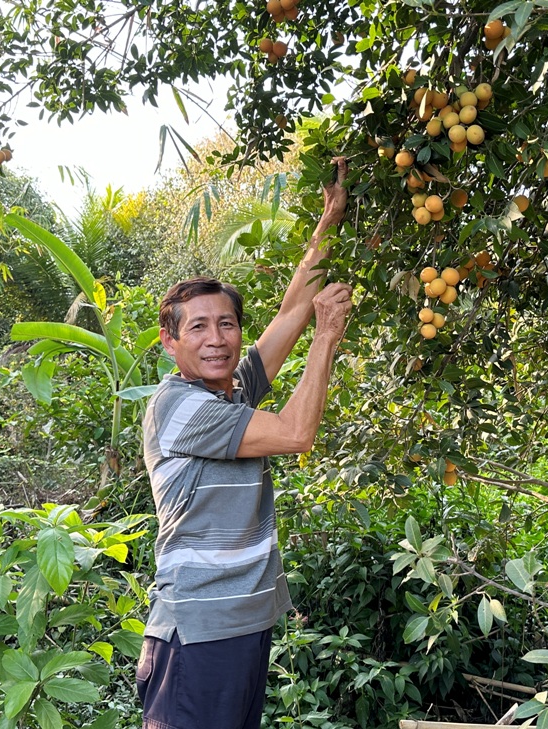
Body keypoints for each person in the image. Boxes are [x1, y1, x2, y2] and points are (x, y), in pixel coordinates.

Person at [135, 158, 352, 729]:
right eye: (198, 327)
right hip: (200, 628)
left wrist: (328, 221)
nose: (216, 339)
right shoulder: (182, 406)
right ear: (170, 342)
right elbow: (295, 434)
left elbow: (290, 311)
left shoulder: (232, 391)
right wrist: (327, 338)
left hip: (242, 620)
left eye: (226, 324)